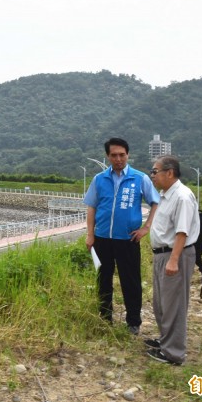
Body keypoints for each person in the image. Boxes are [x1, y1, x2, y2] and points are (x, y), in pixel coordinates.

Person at [84, 137, 160, 334]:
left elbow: (156, 202)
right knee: (103, 279)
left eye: (122, 155)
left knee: (131, 280)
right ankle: (104, 317)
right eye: (113, 155)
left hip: (128, 239)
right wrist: (90, 234)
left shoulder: (139, 178)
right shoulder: (99, 179)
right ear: (107, 156)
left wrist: (146, 227)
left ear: (128, 155)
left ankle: (133, 322)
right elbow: (91, 207)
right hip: (102, 239)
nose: (118, 159)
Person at [144, 155, 199, 365]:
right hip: (162, 254)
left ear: (170, 173)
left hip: (175, 254)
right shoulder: (165, 194)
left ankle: (173, 353)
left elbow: (182, 231)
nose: (152, 175)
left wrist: (174, 259)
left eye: (155, 171)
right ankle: (165, 341)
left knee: (174, 304)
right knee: (161, 303)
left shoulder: (183, 197)